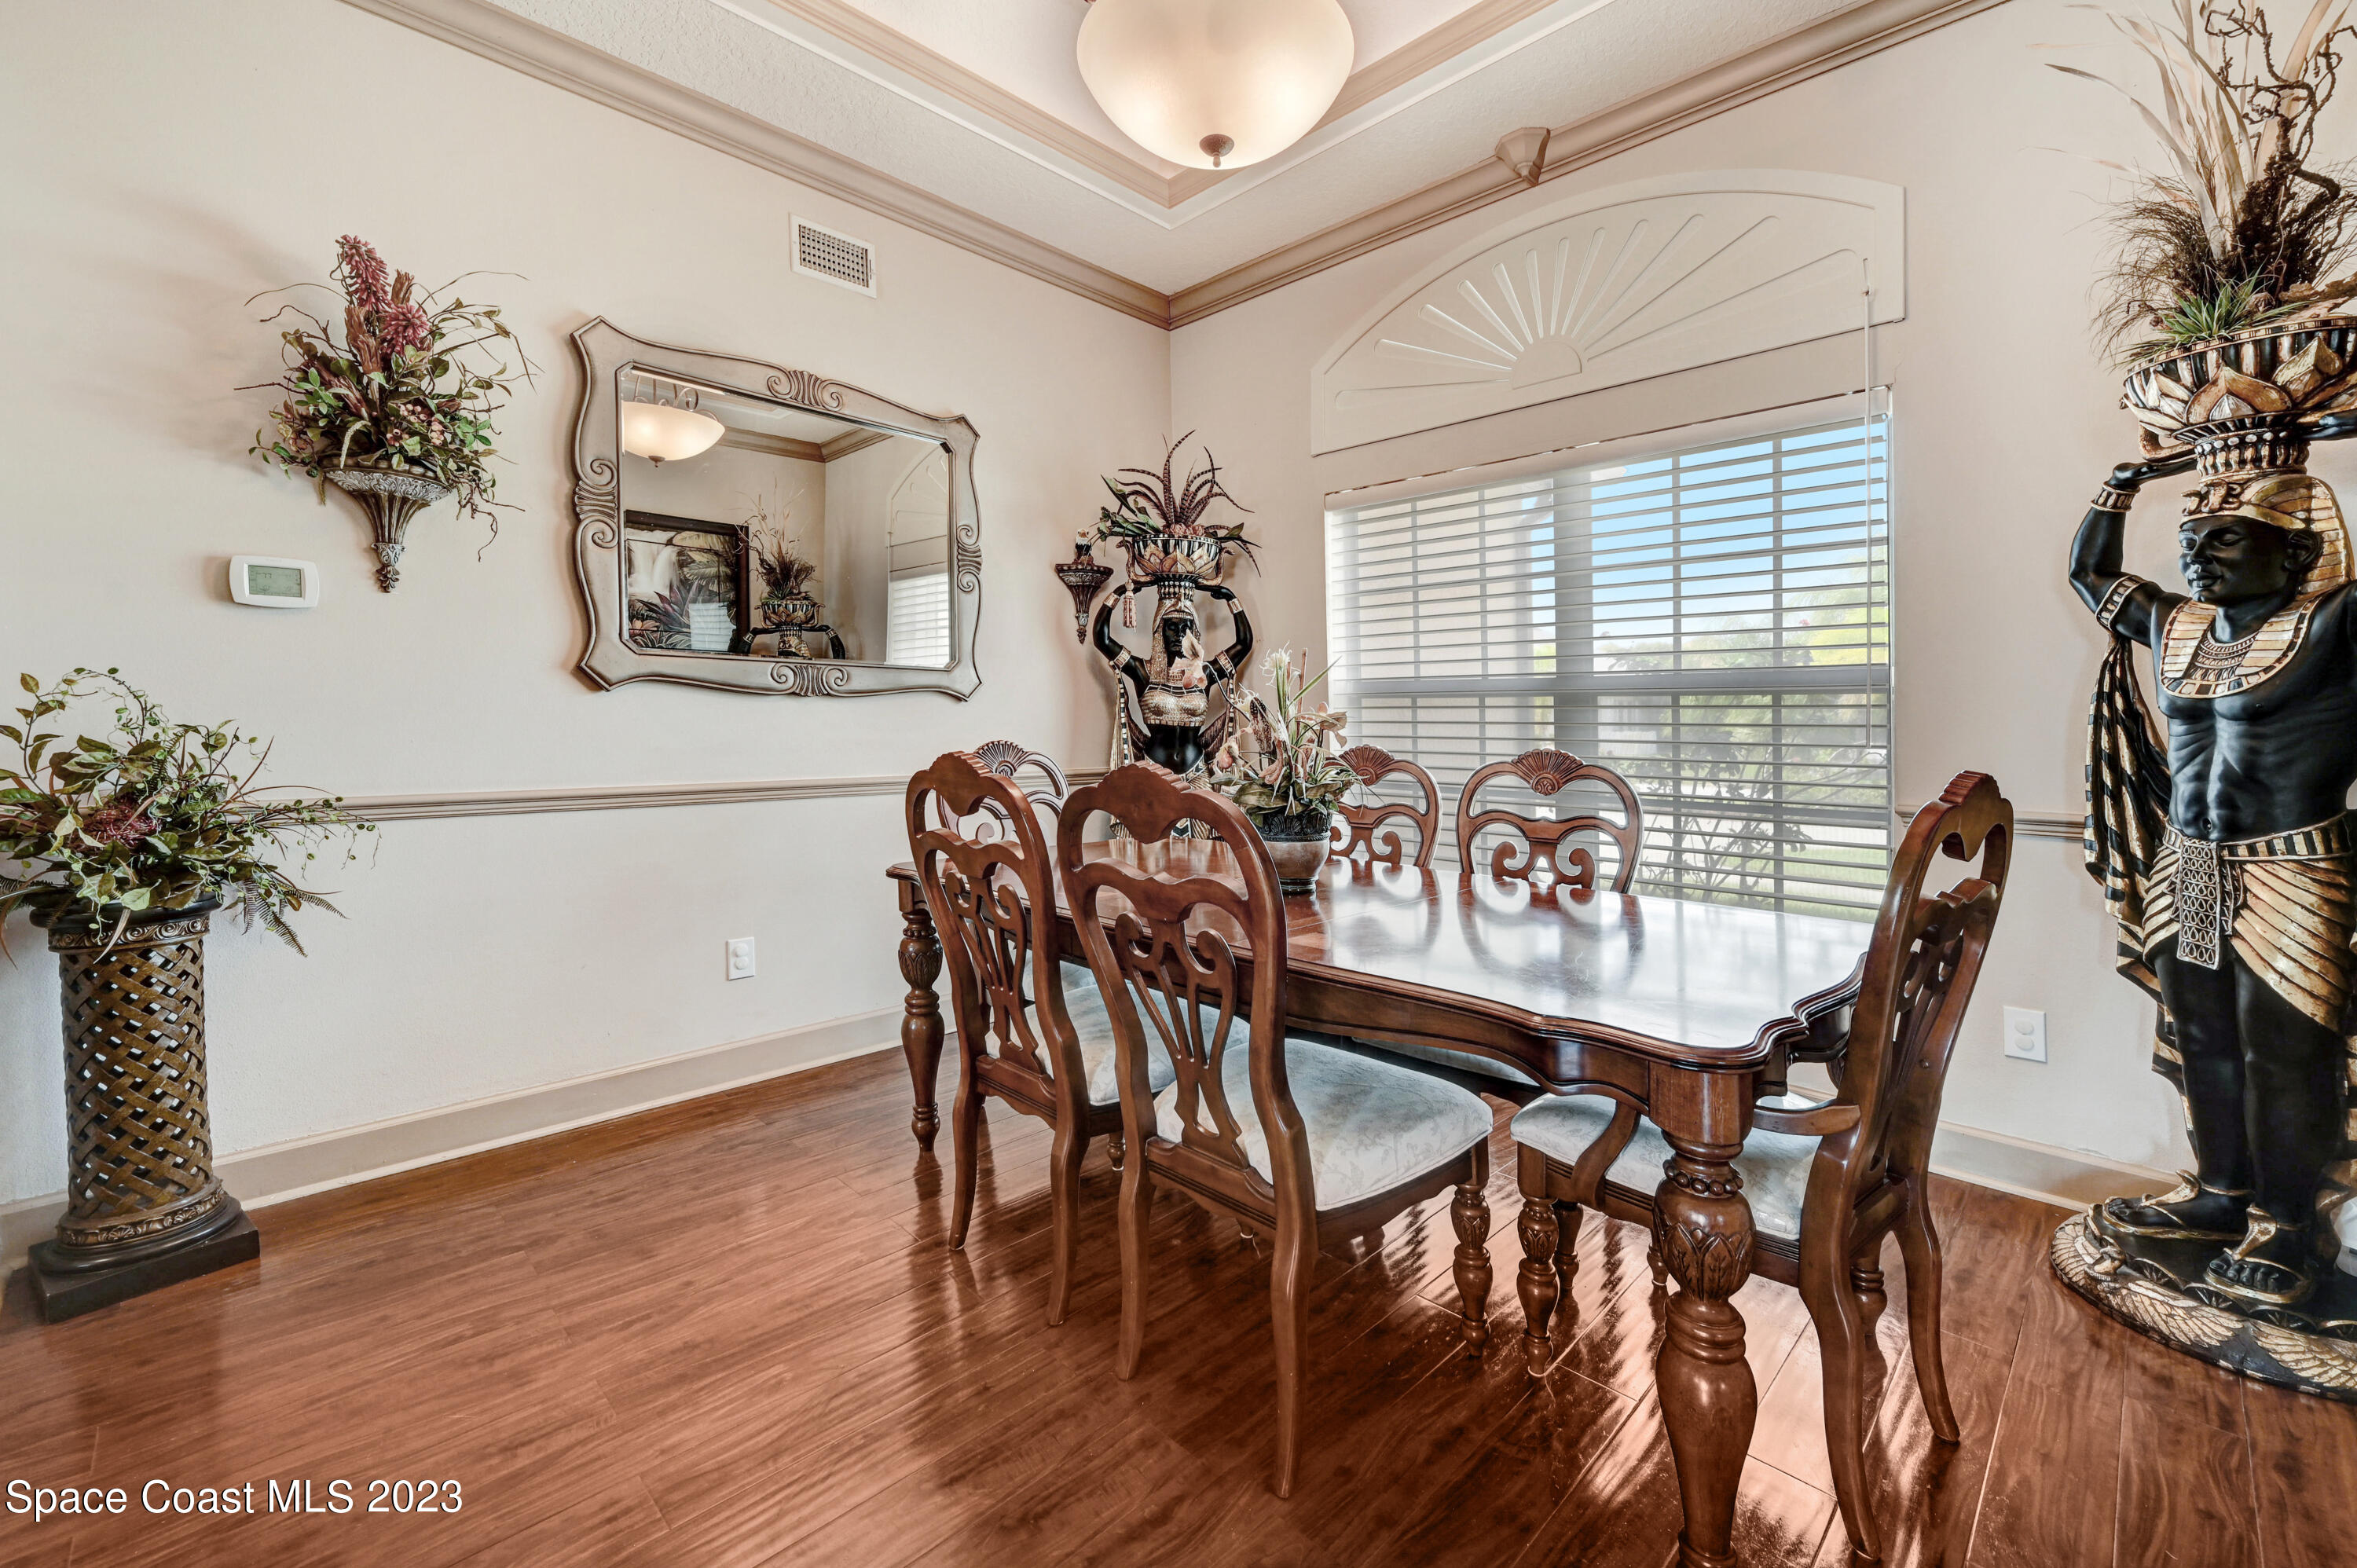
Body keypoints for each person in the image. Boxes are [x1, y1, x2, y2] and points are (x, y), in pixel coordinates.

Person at [2070, 412, 2357, 1306]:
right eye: (2194, 539)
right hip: (2189, 862)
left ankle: (2286, 1220)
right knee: (2204, 1036)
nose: (2202, 554)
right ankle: (2220, 1192)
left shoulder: (2336, 621)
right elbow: (2090, 573)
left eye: (2228, 537)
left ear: (2297, 549)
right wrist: (2124, 483)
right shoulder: (2179, 626)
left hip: (2294, 865)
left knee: (2287, 1047)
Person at [1093, 581, 1252, 776]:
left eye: (1186, 627)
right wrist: (1118, 594)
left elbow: (1244, 643)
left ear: (1194, 634)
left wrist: (1231, 598)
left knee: (1207, 808)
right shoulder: (1144, 671)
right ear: (1160, 631)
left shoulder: (1205, 672)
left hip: (1197, 770)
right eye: (1172, 627)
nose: (1180, 635)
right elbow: (1103, 639)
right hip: (1153, 771)